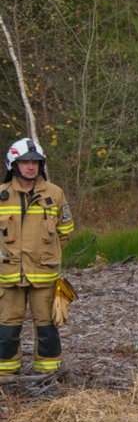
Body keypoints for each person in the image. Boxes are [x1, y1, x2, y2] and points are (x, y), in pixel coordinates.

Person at [0, 138, 74, 376]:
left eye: (35, 162)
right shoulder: (2, 195)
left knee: (47, 328)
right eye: (25, 162)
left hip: (44, 275)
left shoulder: (54, 194)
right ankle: (5, 376)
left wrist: (47, 257)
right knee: (7, 329)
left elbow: (64, 232)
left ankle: (48, 376)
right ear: (14, 164)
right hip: (8, 277)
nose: (30, 166)